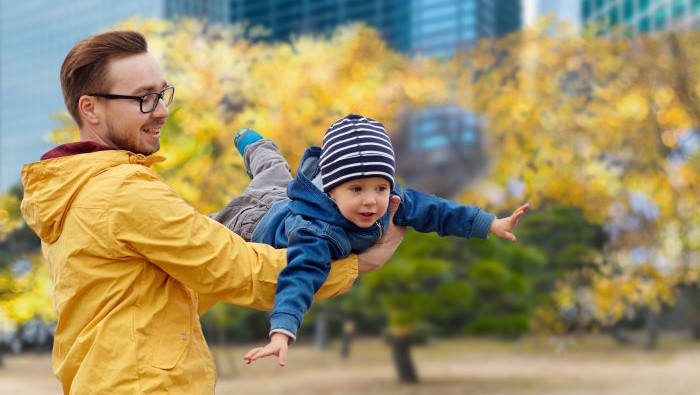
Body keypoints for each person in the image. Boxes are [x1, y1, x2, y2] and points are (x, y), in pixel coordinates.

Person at [19, 31, 405, 394]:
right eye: (143, 98)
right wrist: (356, 265)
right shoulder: (122, 191)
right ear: (91, 108)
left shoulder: (74, 189)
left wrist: (252, 222)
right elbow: (236, 270)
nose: (162, 111)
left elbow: (175, 289)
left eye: (162, 93)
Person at [213, 113, 529, 366]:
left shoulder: (391, 201)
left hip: (290, 198)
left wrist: (489, 223)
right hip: (257, 222)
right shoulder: (318, 233)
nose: (371, 202)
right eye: (357, 190)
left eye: (380, 188)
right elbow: (299, 276)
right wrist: (281, 332)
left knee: (275, 173)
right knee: (235, 207)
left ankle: (254, 143)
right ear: (331, 190)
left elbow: (437, 210)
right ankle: (251, 142)